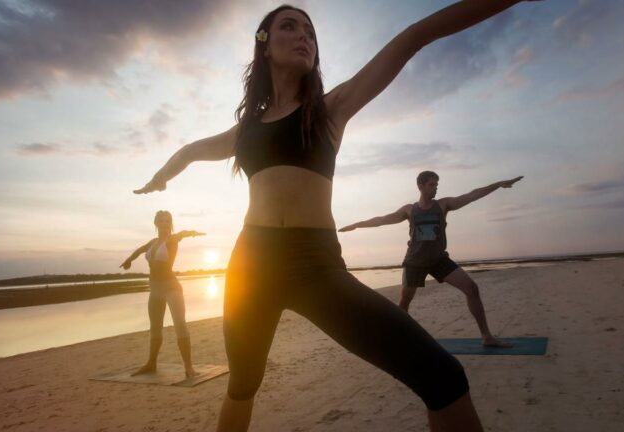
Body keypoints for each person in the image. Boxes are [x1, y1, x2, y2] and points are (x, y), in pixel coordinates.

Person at [134, 2, 539, 430]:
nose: (304, 36)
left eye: (311, 32)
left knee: (443, 377)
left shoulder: (330, 109)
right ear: (265, 45)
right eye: (290, 26)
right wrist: (162, 175)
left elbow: (413, 37)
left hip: (316, 266)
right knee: (243, 384)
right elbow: (192, 150)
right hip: (251, 267)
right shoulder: (246, 130)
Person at [339, 171, 523, 347]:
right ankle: (397, 339)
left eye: (436, 185)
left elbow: (472, 195)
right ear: (420, 186)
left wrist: (499, 184)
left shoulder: (443, 205)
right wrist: (357, 225)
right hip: (414, 262)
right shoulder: (409, 210)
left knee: (472, 289)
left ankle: (487, 337)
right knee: (404, 303)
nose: (435, 188)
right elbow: (382, 219)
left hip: (438, 260)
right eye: (431, 185)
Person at [120, 210, 205, 378]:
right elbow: (140, 250)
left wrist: (192, 233)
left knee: (180, 324)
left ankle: (189, 367)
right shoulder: (153, 242)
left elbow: (182, 234)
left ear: (170, 224)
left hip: (171, 288)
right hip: (155, 289)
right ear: (156, 223)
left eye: (168, 221)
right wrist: (129, 260)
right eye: (162, 221)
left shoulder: (172, 239)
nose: (165, 224)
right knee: (155, 328)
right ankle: (151, 363)